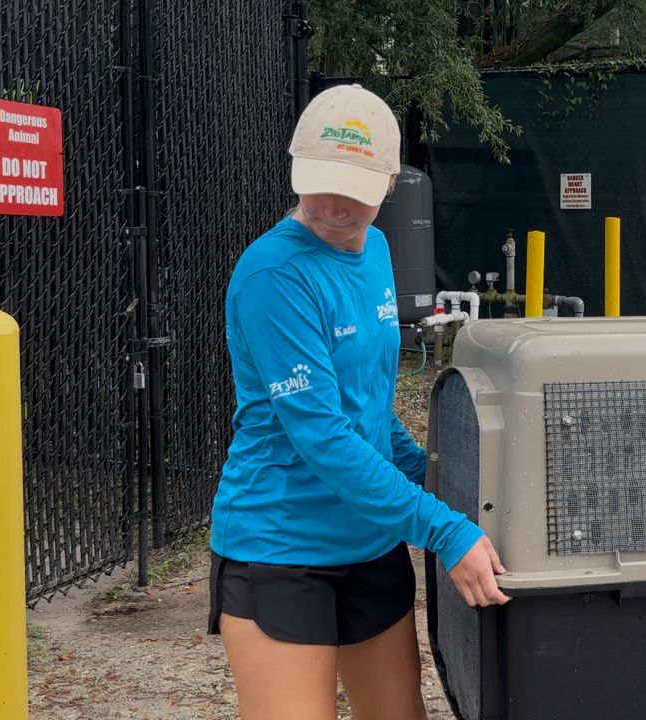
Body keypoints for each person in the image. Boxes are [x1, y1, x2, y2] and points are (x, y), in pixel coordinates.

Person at [207, 84, 509, 720]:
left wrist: (443, 484)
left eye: (356, 191)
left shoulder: (375, 250)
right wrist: (443, 528)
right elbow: (324, 436)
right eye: (318, 183)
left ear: (388, 186)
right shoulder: (274, 275)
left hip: (371, 542)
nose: (334, 207)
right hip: (280, 547)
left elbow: (369, 411)